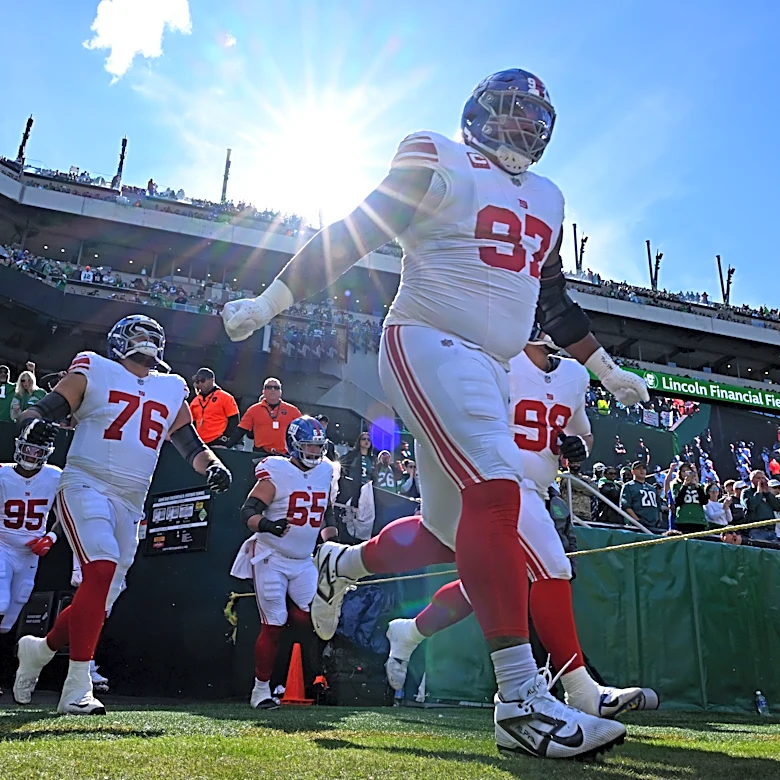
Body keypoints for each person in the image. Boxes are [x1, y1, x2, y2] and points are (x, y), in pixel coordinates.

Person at [220, 67, 647, 760]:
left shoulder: (548, 197)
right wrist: (272, 300)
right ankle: (520, 699)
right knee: (498, 491)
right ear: (477, 113)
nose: (525, 128)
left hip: (487, 363)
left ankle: (340, 565)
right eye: (511, 112)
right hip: (425, 337)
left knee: (453, 530)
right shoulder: (436, 154)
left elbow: (553, 298)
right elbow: (357, 231)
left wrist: (605, 368)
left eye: (536, 119)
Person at [383, 330, 647, 719]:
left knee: (491, 588)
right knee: (552, 567)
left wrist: (581, 447)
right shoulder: (497, 356)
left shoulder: (574, 375)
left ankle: (409, 632)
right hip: (496, 479)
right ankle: (581, 690)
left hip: (537, 489)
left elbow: (582, 431)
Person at [13, 314, 232, 715]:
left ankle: (40, 650)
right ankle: (76, 686)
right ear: (119, 341)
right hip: (85, 483)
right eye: (139, 334)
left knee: (101, 595)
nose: (147, 341)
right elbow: (37, 411)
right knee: (99, 569)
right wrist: (33, 428)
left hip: (131, 501)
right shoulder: (94, 368)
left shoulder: (171, 388)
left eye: (154, 336)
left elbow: (189, 444)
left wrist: (213, 465)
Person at [230, 416, 333, 709]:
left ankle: (320, 680)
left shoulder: (326, 471)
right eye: (308, 447)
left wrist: (330, 541)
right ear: (293, 446)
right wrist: (267, 526)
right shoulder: (275, 470)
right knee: (274, 624)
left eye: (318, 447)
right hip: (271, 558)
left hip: (303, 561)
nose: (314, 453)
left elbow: (326, 512)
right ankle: (260, 690)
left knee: (318, 618)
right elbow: (247, 511)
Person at [0, 433, 62, 666]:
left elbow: (66, 514)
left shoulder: (55, 476)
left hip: (30, 554)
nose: (32, 455)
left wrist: (51, 537)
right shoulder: (3, 474)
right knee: (0, 602)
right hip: (2, 546)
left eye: (38, 450)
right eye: (28, 448)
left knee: (9, 620)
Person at [224, 377, 301, 455]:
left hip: (286, 455)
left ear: (280, 392)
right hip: (260, 453)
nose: (273, 390)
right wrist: (226, 446)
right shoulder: (253, 410)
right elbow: (240, 430)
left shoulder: (292, 410)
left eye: (276, 388)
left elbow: (302, 431)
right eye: (269, 387)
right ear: (263, 391)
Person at [188, 367, 240, 447]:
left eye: (203, 380)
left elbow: (234, 420)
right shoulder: (195, 401)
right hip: (199, 443)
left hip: (218, 442)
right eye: (197, 381)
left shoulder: (225, 397)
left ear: (212, 380)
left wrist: (225, 438)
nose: (200, 384)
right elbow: (192, 423)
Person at [620, 462, 664, 532]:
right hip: (638, 525)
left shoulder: (652, 488)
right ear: (633, 472)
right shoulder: (628, 486)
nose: (642, 470)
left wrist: (659, 519)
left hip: (654, 525)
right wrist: (637, 520)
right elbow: (626, 506)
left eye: (643, 468)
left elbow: (659, 506)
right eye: (638, 468)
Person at [741, 470, 780, 543]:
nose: (761, 480)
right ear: (752, 480)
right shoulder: (746, 492)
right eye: (758, 478)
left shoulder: (767, 493)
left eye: (763, 478)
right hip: (756, 530)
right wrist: (759, 493)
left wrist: (768, 494)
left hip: (771, 530)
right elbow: (751, 506)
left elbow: (777, 507)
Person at [670, 464, 708, 534]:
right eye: (683, 471)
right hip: (683, 520)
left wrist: (696, 485)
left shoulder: (700, 486)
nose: (686, 473)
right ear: (680, 473)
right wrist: (684, 485)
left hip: (698, 520)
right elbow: (677, 501)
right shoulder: (676, 485)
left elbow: (704, 501)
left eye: (688, 471)